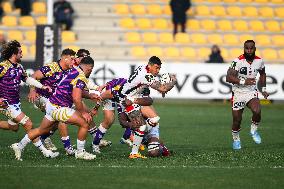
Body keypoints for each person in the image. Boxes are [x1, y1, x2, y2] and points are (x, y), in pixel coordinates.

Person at [11, 56, 101, 160]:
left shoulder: (74, 71)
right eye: (91, 70)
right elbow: (76, 98)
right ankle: (80, 152)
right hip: (59, 107)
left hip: (51, 105)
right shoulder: (81, 77)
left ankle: (19, 146)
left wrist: (90, 95)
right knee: (85, 122)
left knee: (41, 130)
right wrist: (84, 113)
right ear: (90, 68)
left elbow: (74, 91)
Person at [0, 40, 59, 159]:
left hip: (15, 103)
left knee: (14, 127)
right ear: (14, 54)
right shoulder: (3, 67)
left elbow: (27, 79)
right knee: (28, 123)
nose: (22, 54)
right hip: (5, 104)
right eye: (20, 52)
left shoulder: (19, 67)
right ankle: (44, 152)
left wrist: (42, 86)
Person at [119, 56, 177, 158]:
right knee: (142, 125)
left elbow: (158, 90)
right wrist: (173, 82)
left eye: (159, 68)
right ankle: (134, 151)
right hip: (127, 100)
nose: (157, 70)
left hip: (132, 99)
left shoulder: (143, 68)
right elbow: (163, 89)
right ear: (149, 66)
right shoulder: (146, 76)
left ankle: (148, 141)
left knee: (153, 120)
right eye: (156, 67)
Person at [28, 48, 76, 154]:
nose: (73, 62)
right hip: (41, 97)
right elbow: (33, 76)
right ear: (65, 58)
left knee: (54, 122)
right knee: (59, 116)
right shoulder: (52, 67)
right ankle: (68, 148)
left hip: (55, 100)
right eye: (72, 59)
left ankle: (41, 138)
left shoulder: (70, 71)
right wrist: (32, 90)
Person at [225, 40, 269, 150]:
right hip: (238, 92)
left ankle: (253, 130)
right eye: (247, 48)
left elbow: (263, 73)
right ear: (244, 49)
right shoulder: (238, 61)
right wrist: (244, 81)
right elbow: (228, 77)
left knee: (257, 110)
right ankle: (236, 139)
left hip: (251, 91)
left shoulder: (259, 61)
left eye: (251, 48)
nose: (249, 50)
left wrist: (263, 89)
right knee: (237, 119)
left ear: (255, 49)